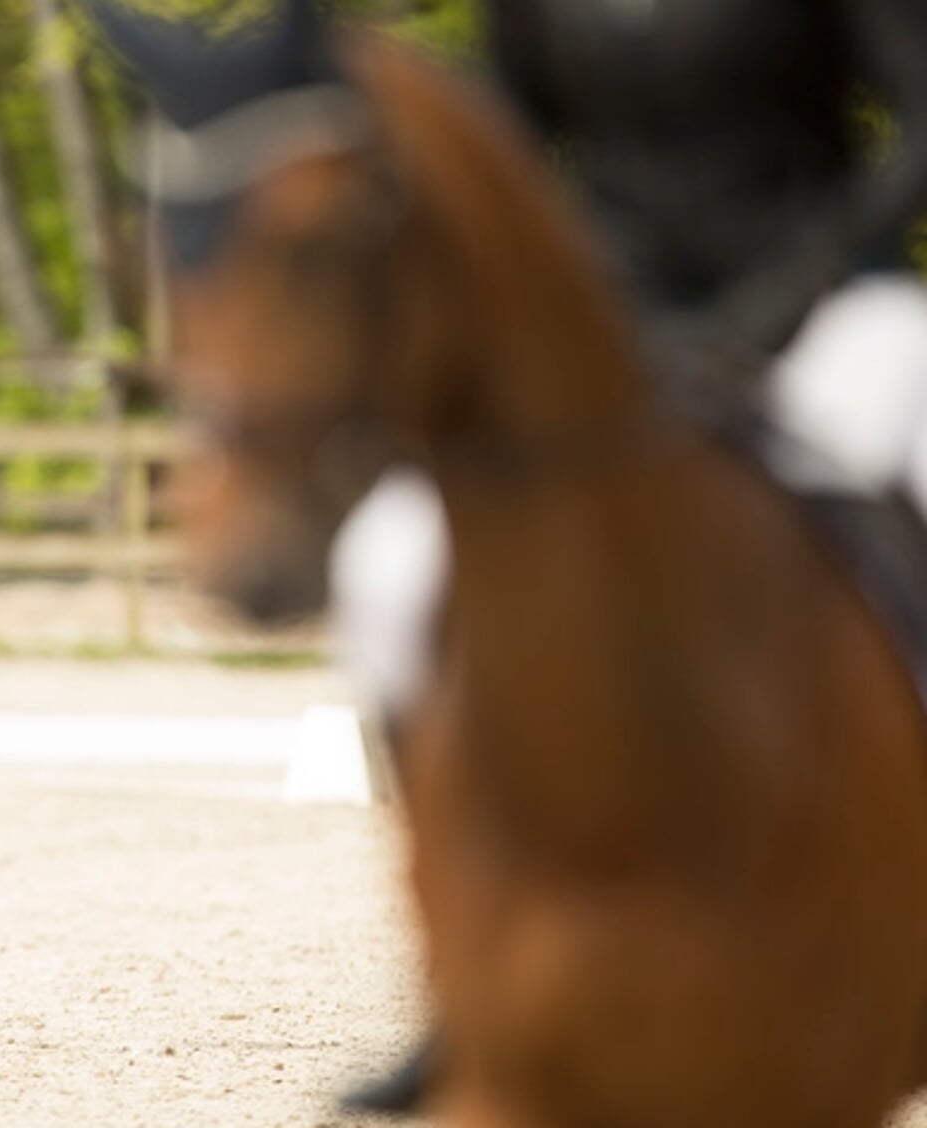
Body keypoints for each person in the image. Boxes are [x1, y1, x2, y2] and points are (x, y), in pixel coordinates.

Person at [339, 0, 927, 1111]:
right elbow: (504, 141)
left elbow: (917, 121)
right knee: (384, 555)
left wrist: (804, 277)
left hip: (829, 304)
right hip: (610, 324)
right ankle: (456, 966)